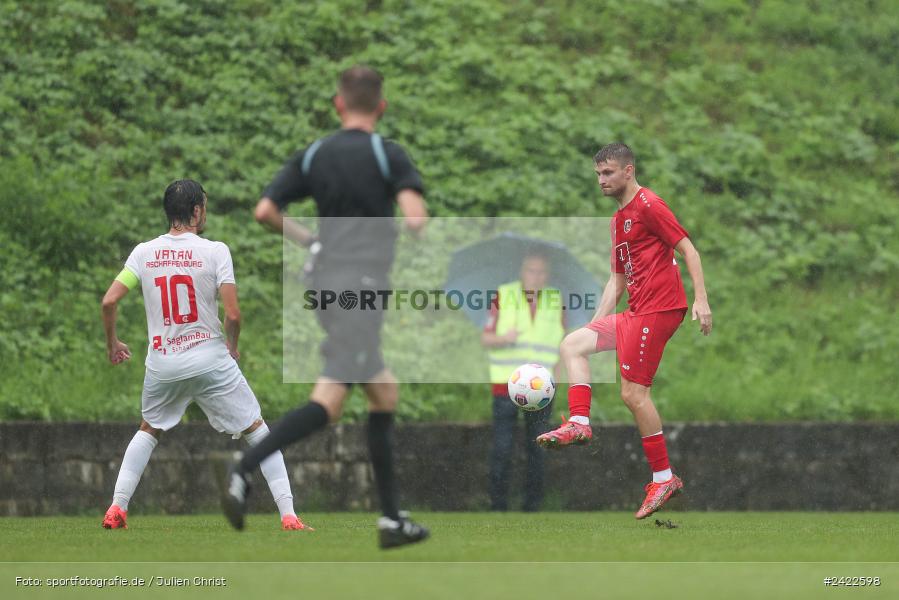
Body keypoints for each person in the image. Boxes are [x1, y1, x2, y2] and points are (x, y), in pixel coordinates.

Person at [221, 66, 430, 549]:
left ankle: (392, 520)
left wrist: (311, 241)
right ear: (381, 106)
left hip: (328, 288)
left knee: (384, 393)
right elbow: (417, 220)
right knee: (328, 402)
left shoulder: (315, 154)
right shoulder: (386, 153)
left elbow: (265, 212)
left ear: (338, 104)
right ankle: (243, 469)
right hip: (362, 291)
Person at [100, 179, 310, 531]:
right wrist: (232, 344)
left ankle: (116, 509)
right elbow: (233, 314)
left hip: (164, 364)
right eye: (205, 206)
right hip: (210, 360)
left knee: (149, 430)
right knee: (257, 430)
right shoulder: (215, 251)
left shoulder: (143, 252)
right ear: (197, 211)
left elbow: (108, 301)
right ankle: (288, 515)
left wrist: (113, 343)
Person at [536, 143, 712, 519]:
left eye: (608, 172)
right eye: (598, 173)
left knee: (633, 394)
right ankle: (579, 423)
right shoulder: (619, 220)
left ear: (628, 171)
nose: (601, 179)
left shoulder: (649, 205)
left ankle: (663, 478)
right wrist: (596, 323)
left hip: (660, 309)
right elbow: (618, 280)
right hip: (637, 312)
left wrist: (702, 300)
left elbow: (689, 251)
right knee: (573, 344)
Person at [482, 250, 565, 511]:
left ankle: (533, 507)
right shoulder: (503, 295)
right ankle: (498, 506)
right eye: (531, 270)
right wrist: (503, 338)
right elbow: (486, 338)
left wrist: (559, 379)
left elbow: (563, 344)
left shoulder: (556, 299)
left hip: (542, 391)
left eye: (541, 272)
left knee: (539, 448)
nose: (536, 276)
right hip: (505, 386)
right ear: (522, 271)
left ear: (547, 275)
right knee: (503, 448)